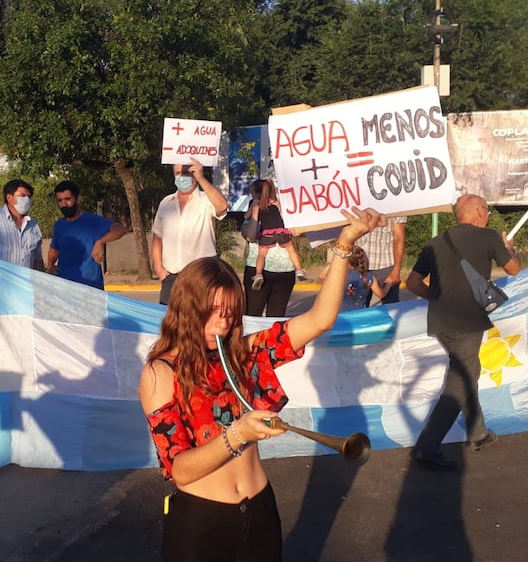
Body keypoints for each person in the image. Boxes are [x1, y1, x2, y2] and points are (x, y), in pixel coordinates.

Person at [138, 206, 385, 562]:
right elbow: (179, 469)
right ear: (186, 308)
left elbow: (319, 319)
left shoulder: (244, 353)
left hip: (259, 510)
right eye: (212, 312)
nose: (222, 324)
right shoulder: (161, 373)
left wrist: (344, 244)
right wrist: (237, 435)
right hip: (201, 520)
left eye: (230, 313)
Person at [404, 194, 521, 471]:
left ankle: (477, 433)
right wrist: (509, 248)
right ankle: (426, 448)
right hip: (467, 323)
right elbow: (513, 269)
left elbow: (412, 282)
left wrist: (438, 297)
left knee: (468, 371)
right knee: (459, 382)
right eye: (487, 210)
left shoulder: (436, 242)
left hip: (441, 323)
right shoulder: (489, 237)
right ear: (478, 212)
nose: (488, 215)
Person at [151, 157, 228, 305]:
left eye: (186, 172)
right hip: (171, 278)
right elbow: (157, 237)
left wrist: (201, 178)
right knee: (169, 323)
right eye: (178, 173)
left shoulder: (206, 200)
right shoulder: (166, 203)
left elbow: (222, 206)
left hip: (202, 277)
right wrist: (159, 268)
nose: (182, 177)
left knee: (200, 322)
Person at [47, 180, 127, 290]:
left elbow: (120, 229)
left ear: (78, 198)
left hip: (91, 288)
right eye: (60, 200)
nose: (64, 204)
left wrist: (100, 242)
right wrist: (50, 265)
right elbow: (54, 249)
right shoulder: (59, 225)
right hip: (64, 289)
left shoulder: (92, 221)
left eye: (68, 199)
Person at [241, 180, 295, 317]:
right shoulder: (253, 212)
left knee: (275, 317)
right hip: (258, 271)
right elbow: (250, 236)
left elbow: (295, 231)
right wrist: (255, 212)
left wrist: (281, 210)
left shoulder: (281, 209)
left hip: (284, 271)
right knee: (253, 315)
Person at [246, 179, 307, 291]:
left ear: (257, 193)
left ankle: (258, 274)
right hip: (281, 231)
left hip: (266, 233)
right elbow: (284, 216)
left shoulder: (255, 203)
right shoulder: (276, 201)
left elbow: (247, 216)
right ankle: (299, 269)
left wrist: (252, 209)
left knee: (261, 255)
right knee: (291, 250)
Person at [0, 179, 45, 270]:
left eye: (29, 197)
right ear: (9, 197)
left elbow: (37, 259)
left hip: (25, 282)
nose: (27, 200)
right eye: (22, 196)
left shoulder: (33, 225)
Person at [355, 215, 407, 306]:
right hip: (358, 264)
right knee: (357, 308)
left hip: (385, 265)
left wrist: (396, 271)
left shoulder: (397, 205)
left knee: (391, 307)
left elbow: (399, 237)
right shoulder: (356, 203)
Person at [319, 245, 386, 311]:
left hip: (341, 314)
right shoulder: (369, 277)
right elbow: (381, 294)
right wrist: (388, 284)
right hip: (360, 313)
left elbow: (322, 275)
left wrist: (336, 261)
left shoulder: (342, 275)